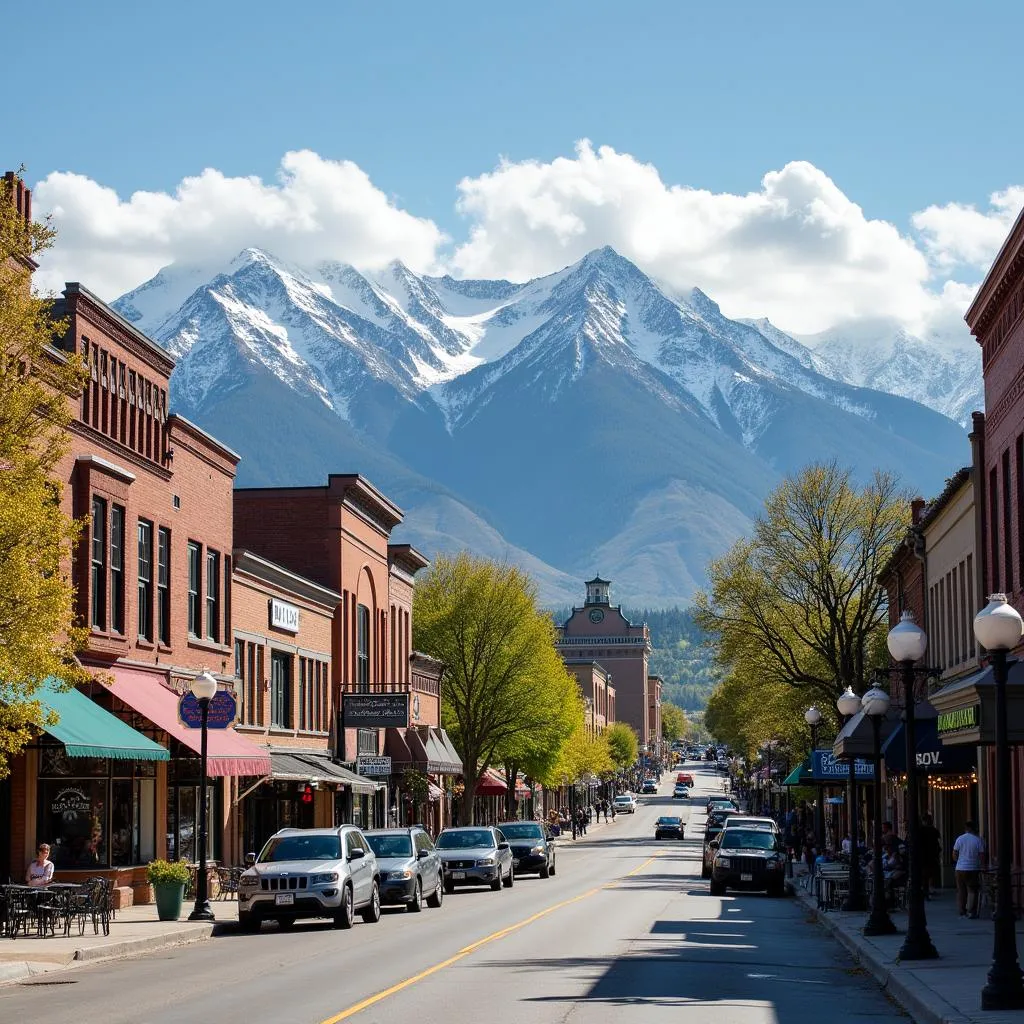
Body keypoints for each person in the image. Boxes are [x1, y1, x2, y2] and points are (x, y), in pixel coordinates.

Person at [953, 820, 986, 919]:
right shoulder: (978, 840)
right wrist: (980, 865)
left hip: (960, 868)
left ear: (966, 828)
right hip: (973, 868)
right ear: (973, 828)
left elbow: (954, 854)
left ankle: (962, 910)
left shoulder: (960, 839)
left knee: (961, 890)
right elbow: (982, 856)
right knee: (972, 890)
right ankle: (971, 910)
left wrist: (958, 861)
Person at [919, 813, 942, 898]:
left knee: (925, 874)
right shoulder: (934, 830)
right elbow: (938, 842)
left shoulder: (920, 830)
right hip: (931, 855)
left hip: (923, 856)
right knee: (930, 873)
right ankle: (928, 889)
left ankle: (926, 890)